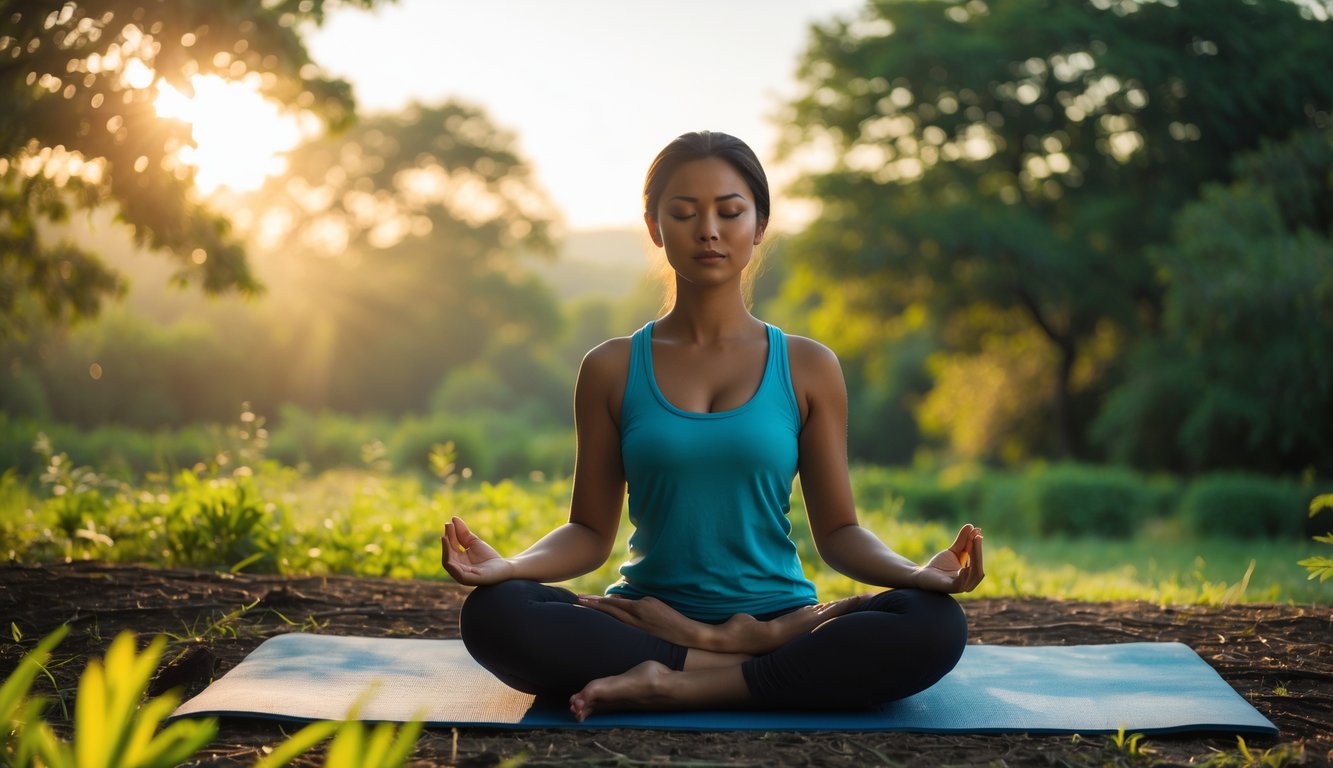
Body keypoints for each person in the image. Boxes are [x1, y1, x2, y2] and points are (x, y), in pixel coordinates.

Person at [441, 130, 985, 722]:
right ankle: (746, 671)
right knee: (496, 612)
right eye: (683, 213)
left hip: (777, 620)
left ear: (759, 225)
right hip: (646, 621)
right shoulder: (611, 367)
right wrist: (510, 567)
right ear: (654, 228)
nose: (708, 230)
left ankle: (678, 681)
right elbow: (588, 532)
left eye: (730, 212)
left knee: (933, 623)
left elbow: (839, 532)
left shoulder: (808, 366)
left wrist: (914, 574)